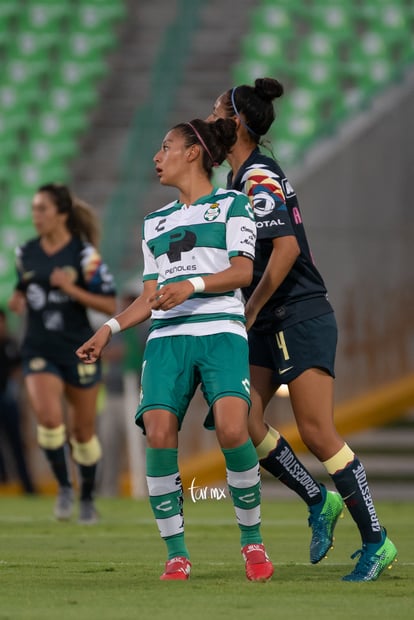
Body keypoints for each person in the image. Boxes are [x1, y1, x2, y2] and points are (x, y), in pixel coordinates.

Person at [207, 78, 397, 582]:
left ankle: (378, 541)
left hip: (299, 313)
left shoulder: (258, 177)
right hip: (273, 318)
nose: (208, 121)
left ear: (237, 123)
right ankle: (319, 500)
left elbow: (286, 249)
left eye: (215, 112)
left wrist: (249, 310)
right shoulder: (238, 180)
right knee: (242, 419)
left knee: (317, 430)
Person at [76, 118, 274, 582]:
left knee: (231, 427)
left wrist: (192, 285)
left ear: (192, 153)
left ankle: (253, 545)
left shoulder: (234, 205)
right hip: (166, 339)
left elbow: (244, 273)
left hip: (221, 330)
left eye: (165, 147)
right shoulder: (154, 222)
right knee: (159, 433)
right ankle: (176, 555)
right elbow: (149, 296)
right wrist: (108, 328)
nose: (156, 157)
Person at [8, 183, 116, 524]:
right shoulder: (24, 253)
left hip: (79, 350)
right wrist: (18, 299)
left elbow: (109, 303)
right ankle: (64, 487)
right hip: (39, 349)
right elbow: (22, 287)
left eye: (42, 209)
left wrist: (70, 288)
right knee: (50, 420)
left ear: (62, 214)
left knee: (82, 433)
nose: (35, 215)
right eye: (34, 208)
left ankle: (86, 496)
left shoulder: (85, 256)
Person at [0, 308, 36, 494]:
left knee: (17, 444)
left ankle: (27, 486)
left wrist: (13, 390)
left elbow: (18, 369)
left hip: (8, 400)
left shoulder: (10, 344)